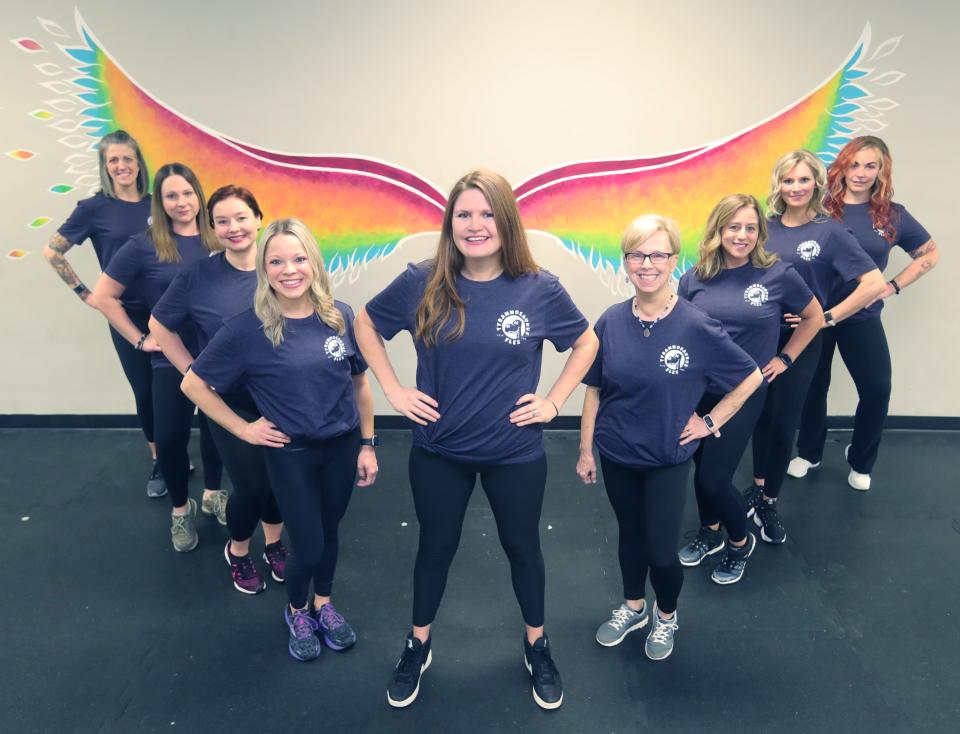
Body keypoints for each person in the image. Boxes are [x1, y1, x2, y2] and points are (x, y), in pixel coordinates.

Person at [355, 169, 598, 710]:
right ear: (450, 223)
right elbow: (366, 323)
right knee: (435, 549)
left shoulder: (539, 287)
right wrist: (393, 388)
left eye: (487, 213)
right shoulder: (423, 279)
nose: (475, 224)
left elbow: (585, 342)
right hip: (439, 451)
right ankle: (418, 643)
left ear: (506, 220)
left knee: (523, 549)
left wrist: (554, 401)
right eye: (463, 214)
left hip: (515, 452)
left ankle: (537, 645)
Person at [183, 218, 377, 661]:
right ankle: (297, 610)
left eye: (298, 258)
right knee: (306, 544)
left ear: (313, 261)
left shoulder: (340, 316)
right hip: (292, 454)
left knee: (328, 534)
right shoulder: (244, 329)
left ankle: (324, 605)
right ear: (264, 269)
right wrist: (243, 428)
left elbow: (360, 386)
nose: (290, 270)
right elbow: (193, 385)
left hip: (342, 446)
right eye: (276, 261)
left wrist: (368, 444)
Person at [577, 214, 761, 657]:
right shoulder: (611, 320)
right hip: (617, 453)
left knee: (661, 552)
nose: (646, 264)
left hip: (666, 458)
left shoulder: (696, 325)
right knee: (629, 536)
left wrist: (710, 422)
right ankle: (634, 606)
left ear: (674, 260)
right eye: (637, 254)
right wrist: (585, 450)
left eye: (657, 254)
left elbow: (750, 376)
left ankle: (666, 616)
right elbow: (595, 390)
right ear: (626, 262)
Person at [675, 195, 822, 584]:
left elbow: (814, 316)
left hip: (744, 391)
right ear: (718, 229)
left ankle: (740, 542)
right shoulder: (695, 277)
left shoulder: (777, 274)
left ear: (760, 233)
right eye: (733, 226)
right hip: (698, 389)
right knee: (700, 467)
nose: (741, 235)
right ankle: (711, 532)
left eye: (750, 228)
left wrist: (785, 358)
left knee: (713, 478)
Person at [151, 185, 288, 593]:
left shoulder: (281, 266)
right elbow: (160, 326)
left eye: (242, 217)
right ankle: (240, 550)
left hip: (282, 396)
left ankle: (275, 545)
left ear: (259, 218)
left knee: (279, 478)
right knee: (251, 484)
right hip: (229, 400)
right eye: (222, 221)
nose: (234, 228)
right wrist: (191, 369)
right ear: (212, 228)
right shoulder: (199, 277)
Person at [746, 150, 885, 544]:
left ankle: (769, 500)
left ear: (816, 184)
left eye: (803, 180)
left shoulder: (831, 231)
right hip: (760, 338)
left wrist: (825, 317)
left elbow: (873, 283)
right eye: (788, 180)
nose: (795, 188)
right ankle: (756, 487)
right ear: (778, 184)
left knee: (783, 422)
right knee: (760, 417)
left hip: (802, 342)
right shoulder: (764, 228)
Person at [787, 137, 940, 490]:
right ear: (842, 167)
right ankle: (809, 452)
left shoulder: (892, 215)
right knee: (813, 387)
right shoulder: (820, 207)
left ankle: (861, 459)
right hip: (816, 317)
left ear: (881, 170)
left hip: (861, 316)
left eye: (870, 165)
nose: (861, 173)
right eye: (854, 164)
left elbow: (930, 254)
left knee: (876, 388)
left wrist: (893, 285)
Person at [89, 162, 224, 552]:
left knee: (217, 432)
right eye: (171, 195)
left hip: (219, 355)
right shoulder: (145, 244)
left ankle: (214, 495)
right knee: (169, 438)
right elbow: (103, 297)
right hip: (171, 358)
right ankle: (181, 510)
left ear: (198, 194)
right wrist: (139, 339)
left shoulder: (218, 237)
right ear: (160, 203)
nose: (181, 202)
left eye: (187, 193)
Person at [43, 130, 161, 494]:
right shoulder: (93, 209)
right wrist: (85, 293)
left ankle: (183, 453)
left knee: (183, 387)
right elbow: (52, 251)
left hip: (171, 313)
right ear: (105, 167)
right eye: (114, 160)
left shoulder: (160, 204)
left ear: (139, 163)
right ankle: (160, 460)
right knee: (145, 391)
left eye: (128, 158)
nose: (122, 166)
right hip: (126, 315)